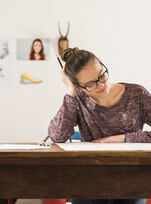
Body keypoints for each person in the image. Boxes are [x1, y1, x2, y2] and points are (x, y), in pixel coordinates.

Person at [48, 47, 150, 204]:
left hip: (131, 174)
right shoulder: (77, 99)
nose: (101, 84)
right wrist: (70, 92)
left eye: (102, 75)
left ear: (102, 64)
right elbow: (57, 136)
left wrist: (121, 139)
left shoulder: (137, 94)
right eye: (90, 84)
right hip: (90, 175)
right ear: (79, 86)